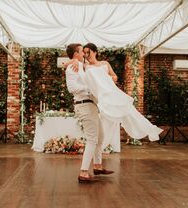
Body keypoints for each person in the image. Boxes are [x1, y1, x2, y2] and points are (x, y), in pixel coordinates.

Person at [82, 43, 163, 142]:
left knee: (130, 112)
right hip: (102, 97)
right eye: (84, 53)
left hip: (112, 92)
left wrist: (108, 78)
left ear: (95, 52)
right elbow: (75, 60)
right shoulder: (86, 66)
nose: (86, 55)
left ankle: (149, 129)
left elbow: (115, 77)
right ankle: (101, 144)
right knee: (106, 121)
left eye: (88, 52)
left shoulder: (105, 64)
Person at [65, 43, 114, 183]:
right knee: (92, 138)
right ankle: (83, 172)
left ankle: (97, 166)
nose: (84, 55)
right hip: (84, 105)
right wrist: (91, 88)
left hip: (91, 105)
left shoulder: (80, 65)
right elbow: (72, 88)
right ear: (76, 54)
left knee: (100, 136)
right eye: (82, 52)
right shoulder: (72, 67)